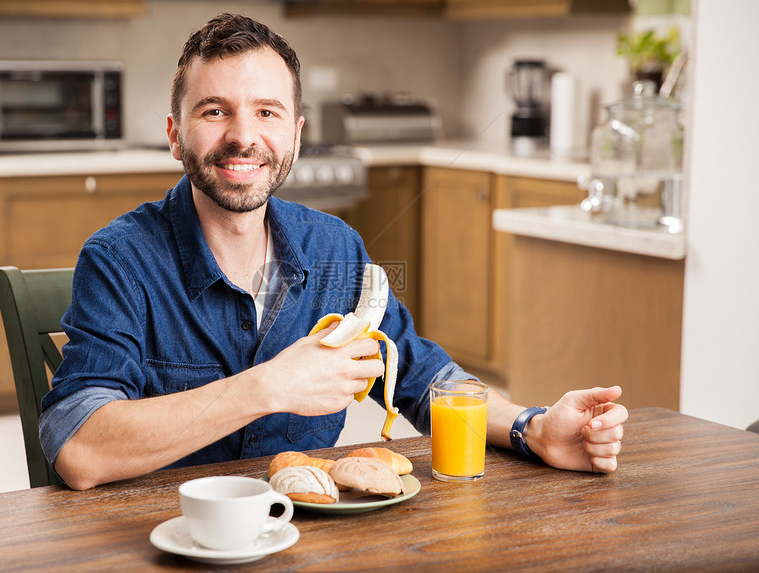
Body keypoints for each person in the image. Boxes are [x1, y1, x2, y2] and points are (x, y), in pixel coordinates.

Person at [39, 13, 627, 491]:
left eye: (266, 112)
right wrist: (269, 386)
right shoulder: (119, 260)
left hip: (311, 542)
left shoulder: (335, 247)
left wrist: (535, 427)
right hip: (168, 540)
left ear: (295, 134)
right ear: (174, 134)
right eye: (214, 111)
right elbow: (80, 447)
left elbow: (423, 378)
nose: (243, 136)